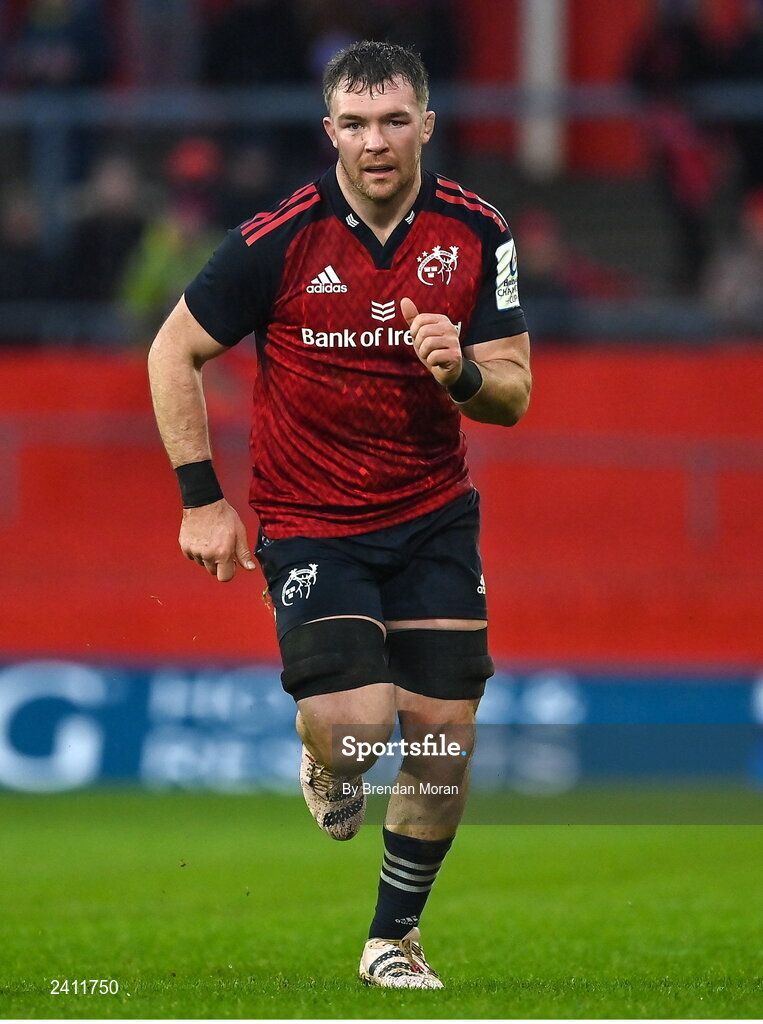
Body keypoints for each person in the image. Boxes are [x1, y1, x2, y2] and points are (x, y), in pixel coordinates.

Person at [148, 40, 531, 989]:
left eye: (394, 120)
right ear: (329, 132)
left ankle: (390, 941)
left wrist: (460, 371)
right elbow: (171, 351)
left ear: (426, 125)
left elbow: (513, 394)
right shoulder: (276, 239)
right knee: (357, 731)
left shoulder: (477, 231)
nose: (375, 142)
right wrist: (202, 501)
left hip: (433, 515)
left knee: (442, 738)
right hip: (312, 516)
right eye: (355, 124)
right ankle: (327, 761)